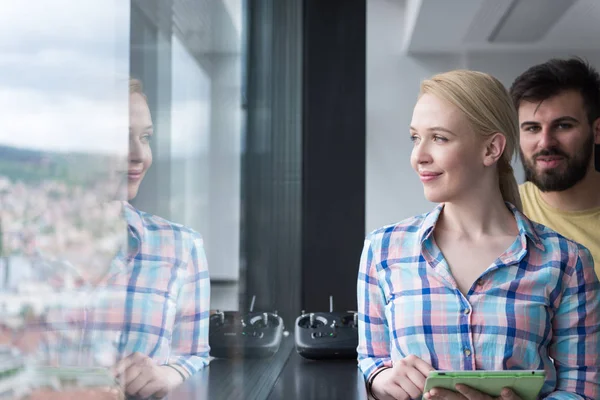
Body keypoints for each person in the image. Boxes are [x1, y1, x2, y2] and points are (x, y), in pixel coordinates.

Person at [357, 70, 600, 400]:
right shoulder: (382, 250)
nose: (419, 156)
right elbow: (371, 358)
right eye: (415, 138)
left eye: (439, 138)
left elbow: (583, 387)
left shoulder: (566, 261)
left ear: (491, 148)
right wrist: (381, 379)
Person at [33, 78, 211, 399]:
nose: (139, 155)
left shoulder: (182, 248)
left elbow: (194, 355)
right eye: (119, 138)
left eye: (145, 137)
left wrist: (168, 374)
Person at [509, 57, 600, 275]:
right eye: (532, 128)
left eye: (563, 125)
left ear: (597, 131)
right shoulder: (504, 210)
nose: (546, 142)